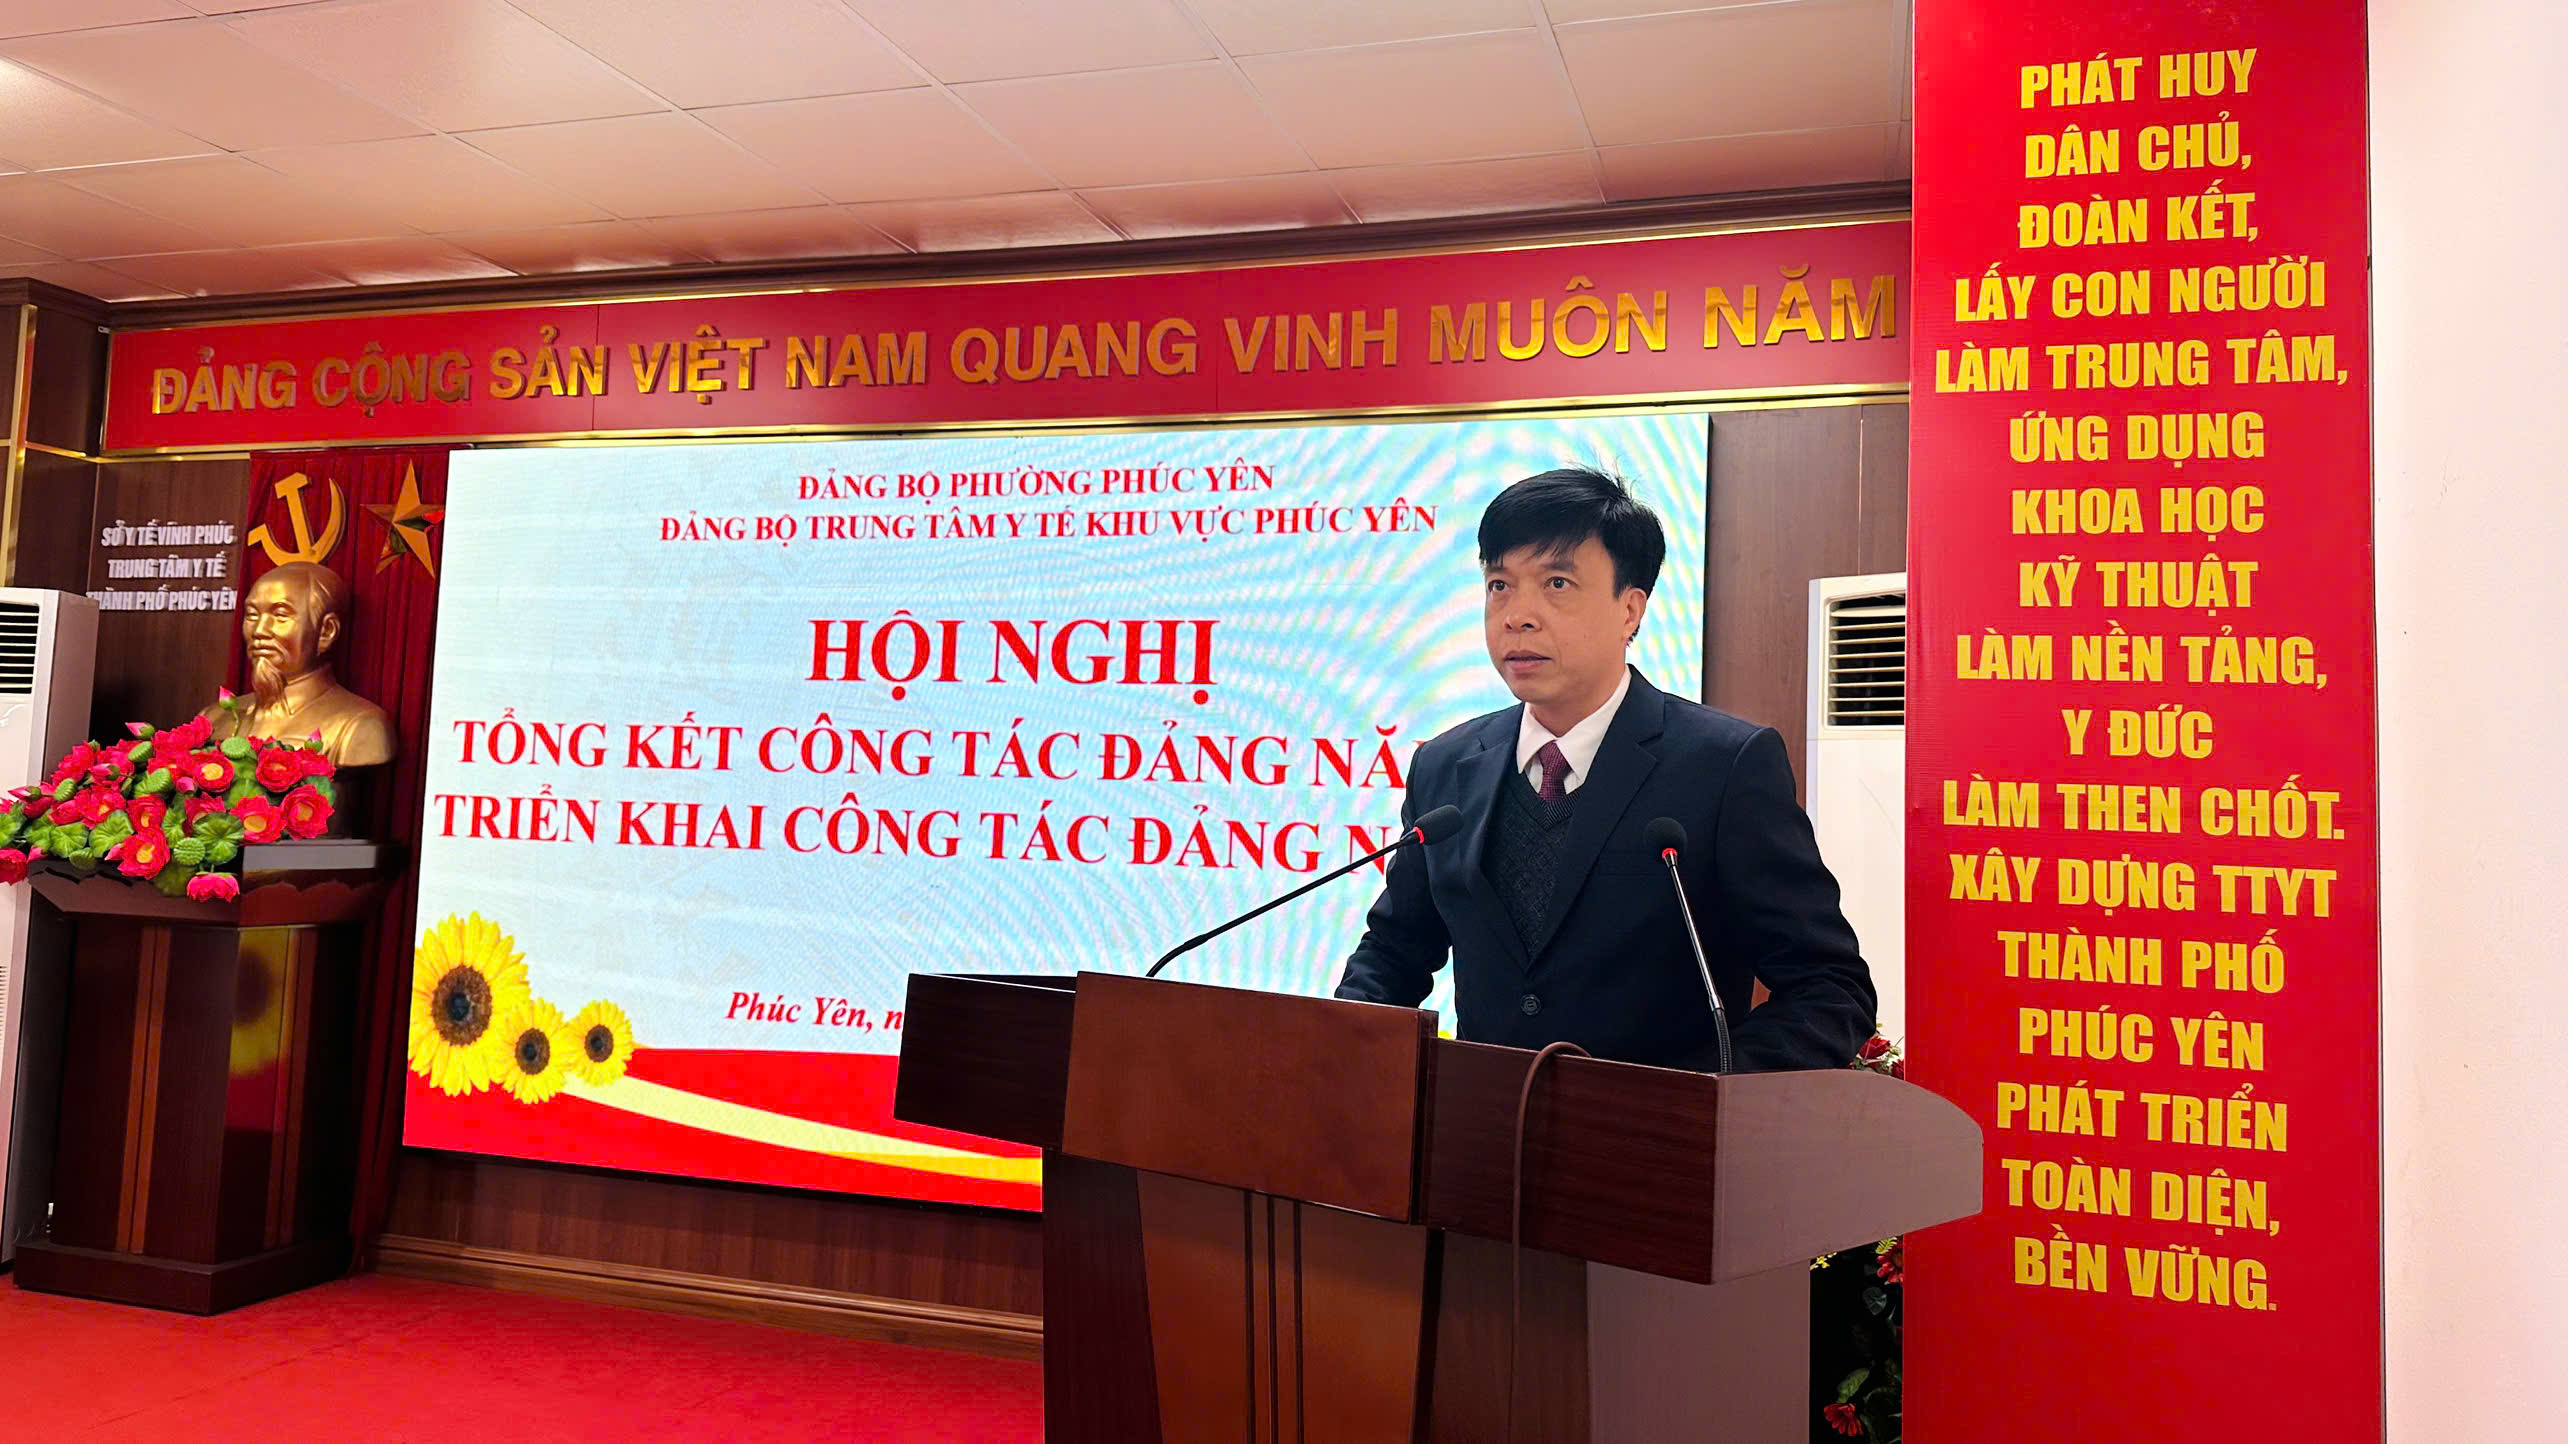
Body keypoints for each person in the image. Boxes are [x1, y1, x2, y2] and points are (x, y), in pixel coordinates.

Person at [1335, 467, 1874, 1072]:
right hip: (1477, 1122)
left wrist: (1705, 1098)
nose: (1518, 615)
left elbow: (1829, 988)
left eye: (1557, 583)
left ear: (1629, 611)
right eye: (1499, 585)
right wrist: (1339, 1057)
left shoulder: (1724, 767)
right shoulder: (1445, 765)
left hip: (1661, 1126)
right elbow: (1394, 951)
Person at [204, 561, 397, 768]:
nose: (259, 630)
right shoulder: (213, 718)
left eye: (280, 615)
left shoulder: (360, 726)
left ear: (326, 631)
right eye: (252, 615)